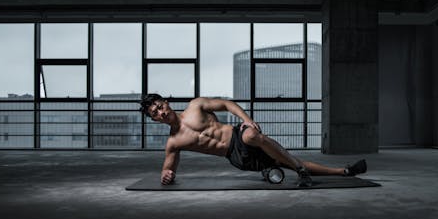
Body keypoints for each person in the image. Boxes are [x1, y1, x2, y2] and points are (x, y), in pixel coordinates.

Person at [140, 93, 367, 187]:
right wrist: (166, 175)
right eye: (155, 114)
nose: (160, 113)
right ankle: (343, 172)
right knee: (285, 162)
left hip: (239, 135)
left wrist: (247, 120)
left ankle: (297, 168)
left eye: (160, 107)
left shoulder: (196, 105)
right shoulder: (173, 142)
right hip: (236, 156)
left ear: (166, 101)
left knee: (251, 134)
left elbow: (227, 104)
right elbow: (168, 169)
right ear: (155, 120)